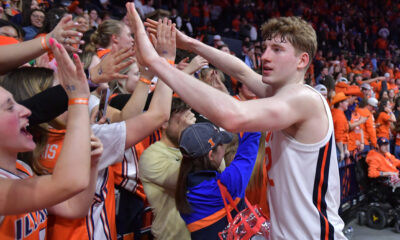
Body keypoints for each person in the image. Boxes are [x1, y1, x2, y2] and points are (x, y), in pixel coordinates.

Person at [127, 3, 346, 239]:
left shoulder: (304, 99)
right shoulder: (281, 94)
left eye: (277, 49)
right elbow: (242, 72)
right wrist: (188, 43)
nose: (265, 56)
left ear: (302, 60)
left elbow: (233, 116)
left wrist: (159, 62)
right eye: (265, 48)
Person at [0, 38, 102, 239]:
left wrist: (92, 165)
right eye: (10, 107)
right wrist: (78, 99)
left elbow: (74, 207)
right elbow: (69, 183)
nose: (26, 110)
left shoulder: (23, 169)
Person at [175, 123, 260, 238]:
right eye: (221, 144)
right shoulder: (227, 185)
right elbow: (250, 140)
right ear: (211, 155)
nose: (224, 148)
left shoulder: (184, 189)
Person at [139, 98, 195, 239]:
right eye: (181, 121)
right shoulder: (151, 156)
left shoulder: (195, 149)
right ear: (164, 123)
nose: (188, 125)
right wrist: (189, 137)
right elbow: (186, 181)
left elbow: (218, 170)